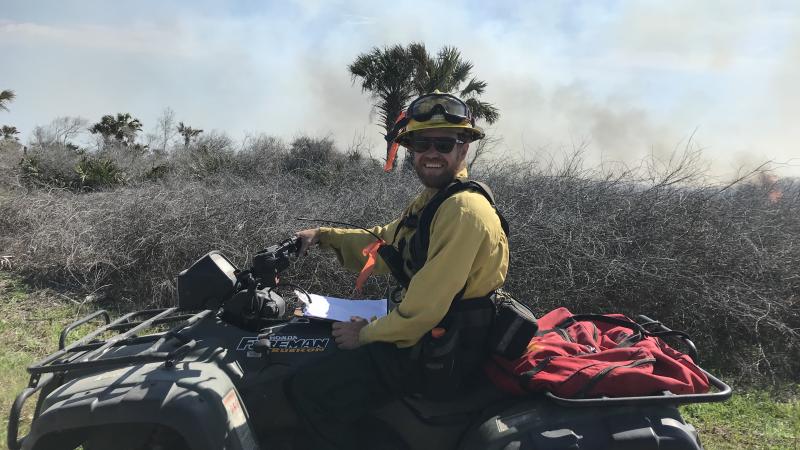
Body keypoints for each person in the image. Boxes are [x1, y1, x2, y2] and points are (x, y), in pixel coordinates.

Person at [286, 91, 509, 449]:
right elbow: (383, 244)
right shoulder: (436, 200)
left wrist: (366, 335)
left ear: (463, 148)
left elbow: (424, 310)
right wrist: (323, 237)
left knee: (310, 388)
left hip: (442, 353)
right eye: (422, 143)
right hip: (433, 337)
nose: (431, 153)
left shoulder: (463, 211)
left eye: (444, 143)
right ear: (411, 149)